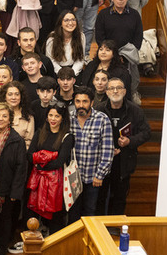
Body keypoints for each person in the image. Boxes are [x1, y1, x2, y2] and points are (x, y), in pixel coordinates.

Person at [100, 78, 150, 216]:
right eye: (111, 88)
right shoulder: (99, 110)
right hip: (102, 161)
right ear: (106, 91)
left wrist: (130, 141)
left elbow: (146, 133)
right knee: (100, 197)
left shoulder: (135, 111)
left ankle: (114, 227)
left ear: (124, 91)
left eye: (118, 88)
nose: (115, 91)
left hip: (124, 161)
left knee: (119, 197)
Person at [0, 103, 28, 255]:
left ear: (10, 119)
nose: (0, 119)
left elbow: (21, 168)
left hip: (6, 188)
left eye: (4, 116)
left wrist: (15, 192)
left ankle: (1, 248)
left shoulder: (17, 140)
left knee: (4, 220)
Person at [68, 88, 114, 222]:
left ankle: (88, 241)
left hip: (93, 177)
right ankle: (74, 242)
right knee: (72, 212)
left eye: (84, 101)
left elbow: (107, 151)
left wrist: (99, 175)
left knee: (90, 211)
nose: (81, 105)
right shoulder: (69, 119)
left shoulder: (102, 119)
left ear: (92, 102)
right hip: (72, 177)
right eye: (77, 101)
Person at [27, 105, 74, 234]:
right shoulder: (40, 132)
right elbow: (30, 155)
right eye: (51, 115)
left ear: (62, 118)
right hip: (37, 181)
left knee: (55, 217)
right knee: (34, 214)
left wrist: (40, 163)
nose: (53, 119)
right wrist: (48, 157)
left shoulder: (67, 137)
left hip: (56, 182)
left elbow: (59, 161)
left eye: (57, 116)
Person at [94, 0, 144, 97]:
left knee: (129, 80)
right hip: (108, 56)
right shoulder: (103, 14)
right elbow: (99, 37)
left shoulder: (134, 15)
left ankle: (130, 97)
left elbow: (138, 36)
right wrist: (112, 55)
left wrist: (126, 56)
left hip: (128, 56)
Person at [44, 11, 86, 76]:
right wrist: (62, 74)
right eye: (66, 20)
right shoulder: (52, 38)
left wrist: (72, 73)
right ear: (61, 23)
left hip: (74, 70)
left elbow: (80, 58)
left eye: (73, 20)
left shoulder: (81, 36)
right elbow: (51, 60)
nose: (70, 23)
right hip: (57, 70)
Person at [5, 82, 35, 148]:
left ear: (21, 97)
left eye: (17, 94)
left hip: (19, 153)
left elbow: (28, 141)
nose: (13, 97)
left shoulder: (28, 116)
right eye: (10, 94)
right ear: (5, 97)